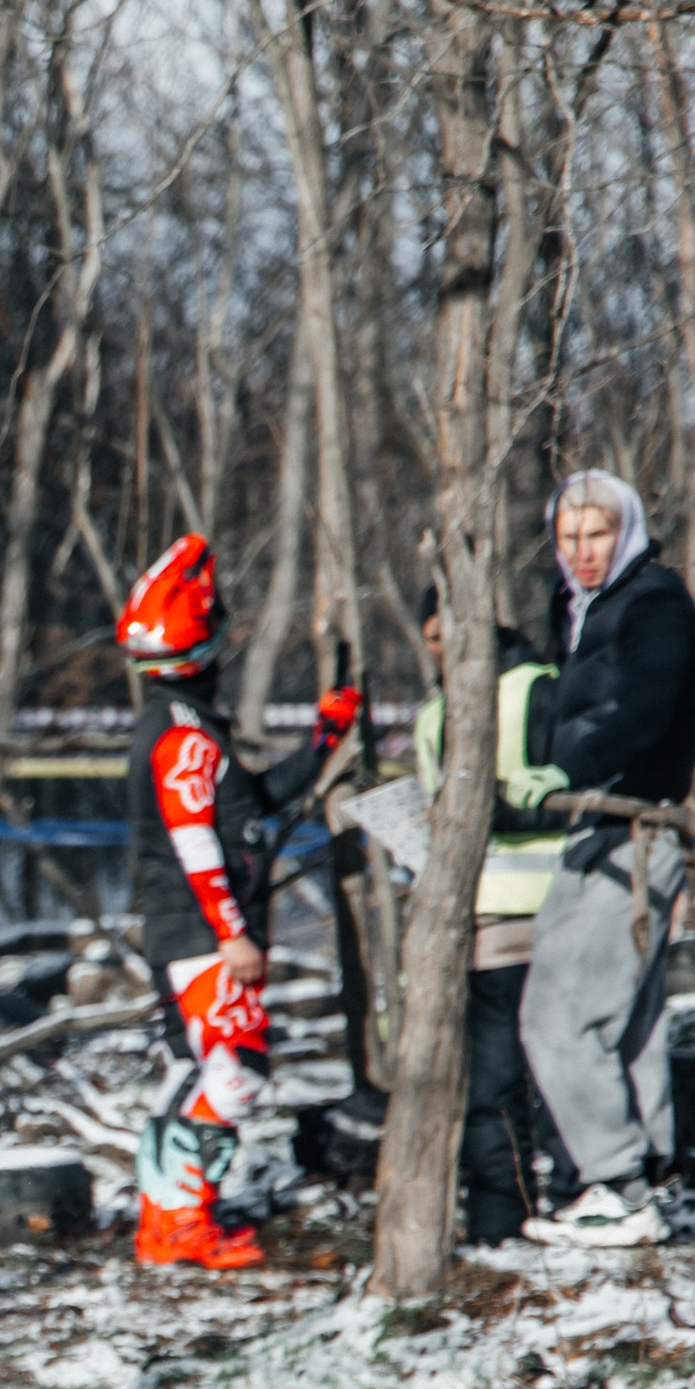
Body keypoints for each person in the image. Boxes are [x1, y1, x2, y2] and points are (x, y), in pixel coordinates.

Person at [119, 535, 361, 1270]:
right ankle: (184, 1220)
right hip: (200, 935)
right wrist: (233, 934)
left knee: (194, 1071)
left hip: (189, 932)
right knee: (235, 1071)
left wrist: (323, 742)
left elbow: (248, 806)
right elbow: (198, 843)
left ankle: (167, 1221)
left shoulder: (187, 731)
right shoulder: (183, 739)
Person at [517, 469, 695, 1247]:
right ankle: (650, 1179)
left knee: (557, 1015)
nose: (583, 552)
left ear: (625, 530)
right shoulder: (584, 610)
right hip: (599, 827)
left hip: (630, 825)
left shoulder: (653, 599)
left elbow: (646, 706)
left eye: (597, 534)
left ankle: (617, 1183)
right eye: (569, 538)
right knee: (627, 1020)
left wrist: (572, 767)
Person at [411, 593, 565, 1245]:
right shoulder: (433, 717)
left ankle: (574, 1212)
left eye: (449, 634)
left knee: (558, 1077)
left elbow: (571, 797)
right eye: (432, 638)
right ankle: (501, 1227)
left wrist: (490, 812)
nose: (440, 651)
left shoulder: (540, 690)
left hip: (555, 912)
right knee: (495, 1086)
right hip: (483, 925)